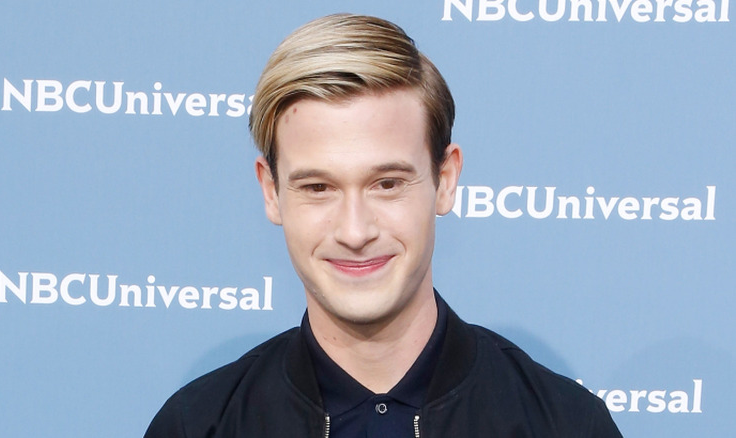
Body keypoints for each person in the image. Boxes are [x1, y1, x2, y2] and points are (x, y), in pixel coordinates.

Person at [145, 13, 622, 437]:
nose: (355, 232)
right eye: (318, 188)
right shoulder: (198, 425)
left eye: (387, 184)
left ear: (445, 180)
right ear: (271, 192)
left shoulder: (565, 424)